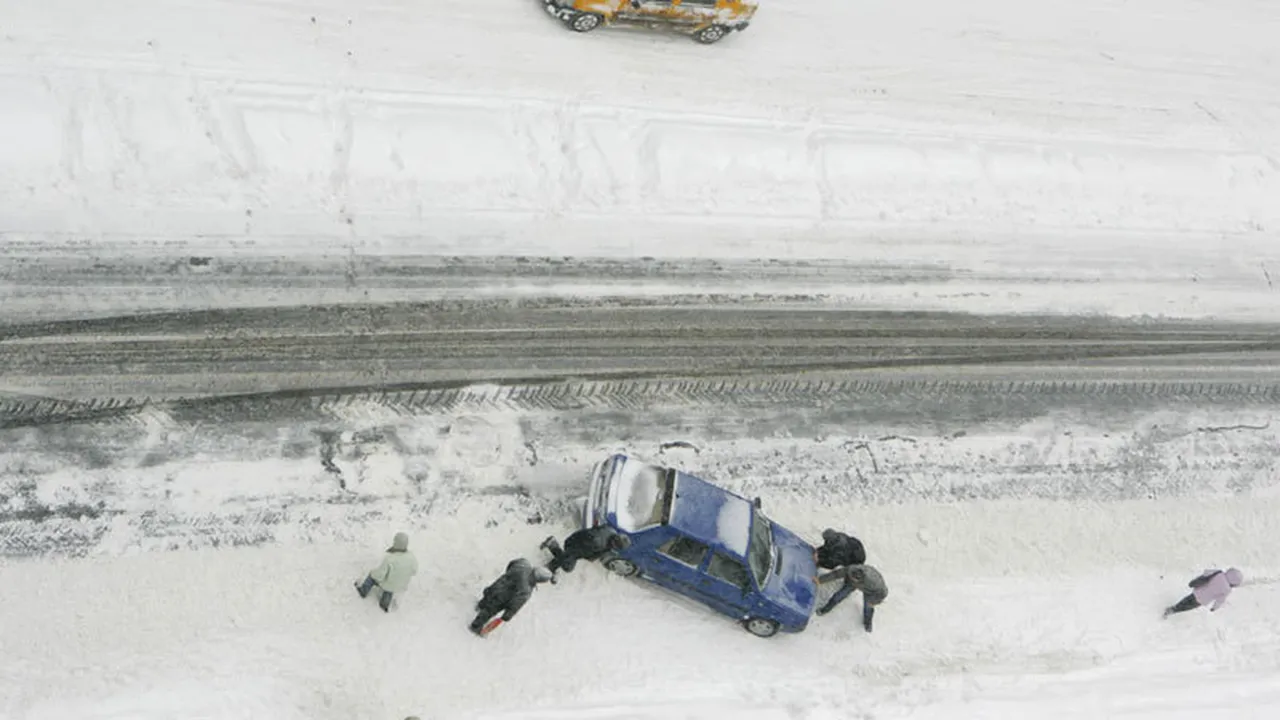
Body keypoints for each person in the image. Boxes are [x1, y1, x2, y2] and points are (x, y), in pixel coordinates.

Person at [470, 558, 554, 636]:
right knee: (488, 611)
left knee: (487, 598)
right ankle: (474, 627)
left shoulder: (523, 563)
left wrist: (508, 575)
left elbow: (511, 563)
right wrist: (507, 616)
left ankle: (479, 606)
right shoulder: (526, 590)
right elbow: (516, 604)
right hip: (501, 600)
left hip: (496, 586)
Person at [354, 532, 420, 612]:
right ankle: (384, 604)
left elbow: (379, 575)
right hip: (401, 585)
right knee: (391, 587)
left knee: (372, 577)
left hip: (389, 584)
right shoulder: (411, 557)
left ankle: (363, 591)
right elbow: (414, 571)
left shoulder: (390, 559)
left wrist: (372, 573)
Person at [816, 563, 887, 632]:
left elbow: (883, 593)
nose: (853, 579)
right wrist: (820, 580)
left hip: (870, 592)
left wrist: (875, 602)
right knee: (838, 596)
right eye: (851, 577)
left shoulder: (874, 583)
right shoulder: (851, 569)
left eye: (855, 580)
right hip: (853, 584)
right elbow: (836, 574)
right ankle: (825, 609)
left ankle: (867, 623)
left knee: (868, 607)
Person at [540, 525, 632, 579]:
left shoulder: (611, 531)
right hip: (573, 544)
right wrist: (556, 563)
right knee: (568, 566)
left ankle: (554, 558)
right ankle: (552, 548)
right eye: (616, 547)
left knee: (568, 560)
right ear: (614, 543)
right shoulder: (597, 543)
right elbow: (576, 552)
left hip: (579, 537)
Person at [1164, 567, 1244, 618]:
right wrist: (1214, 608)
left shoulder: (1219, 573)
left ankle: (1174, 607)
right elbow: (1220, 600)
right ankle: (1174, 610)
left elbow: (1206, 572)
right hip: (1202, 601)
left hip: (1197, 591)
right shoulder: (1227, 590)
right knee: (1188, 607)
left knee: (1186, 600)